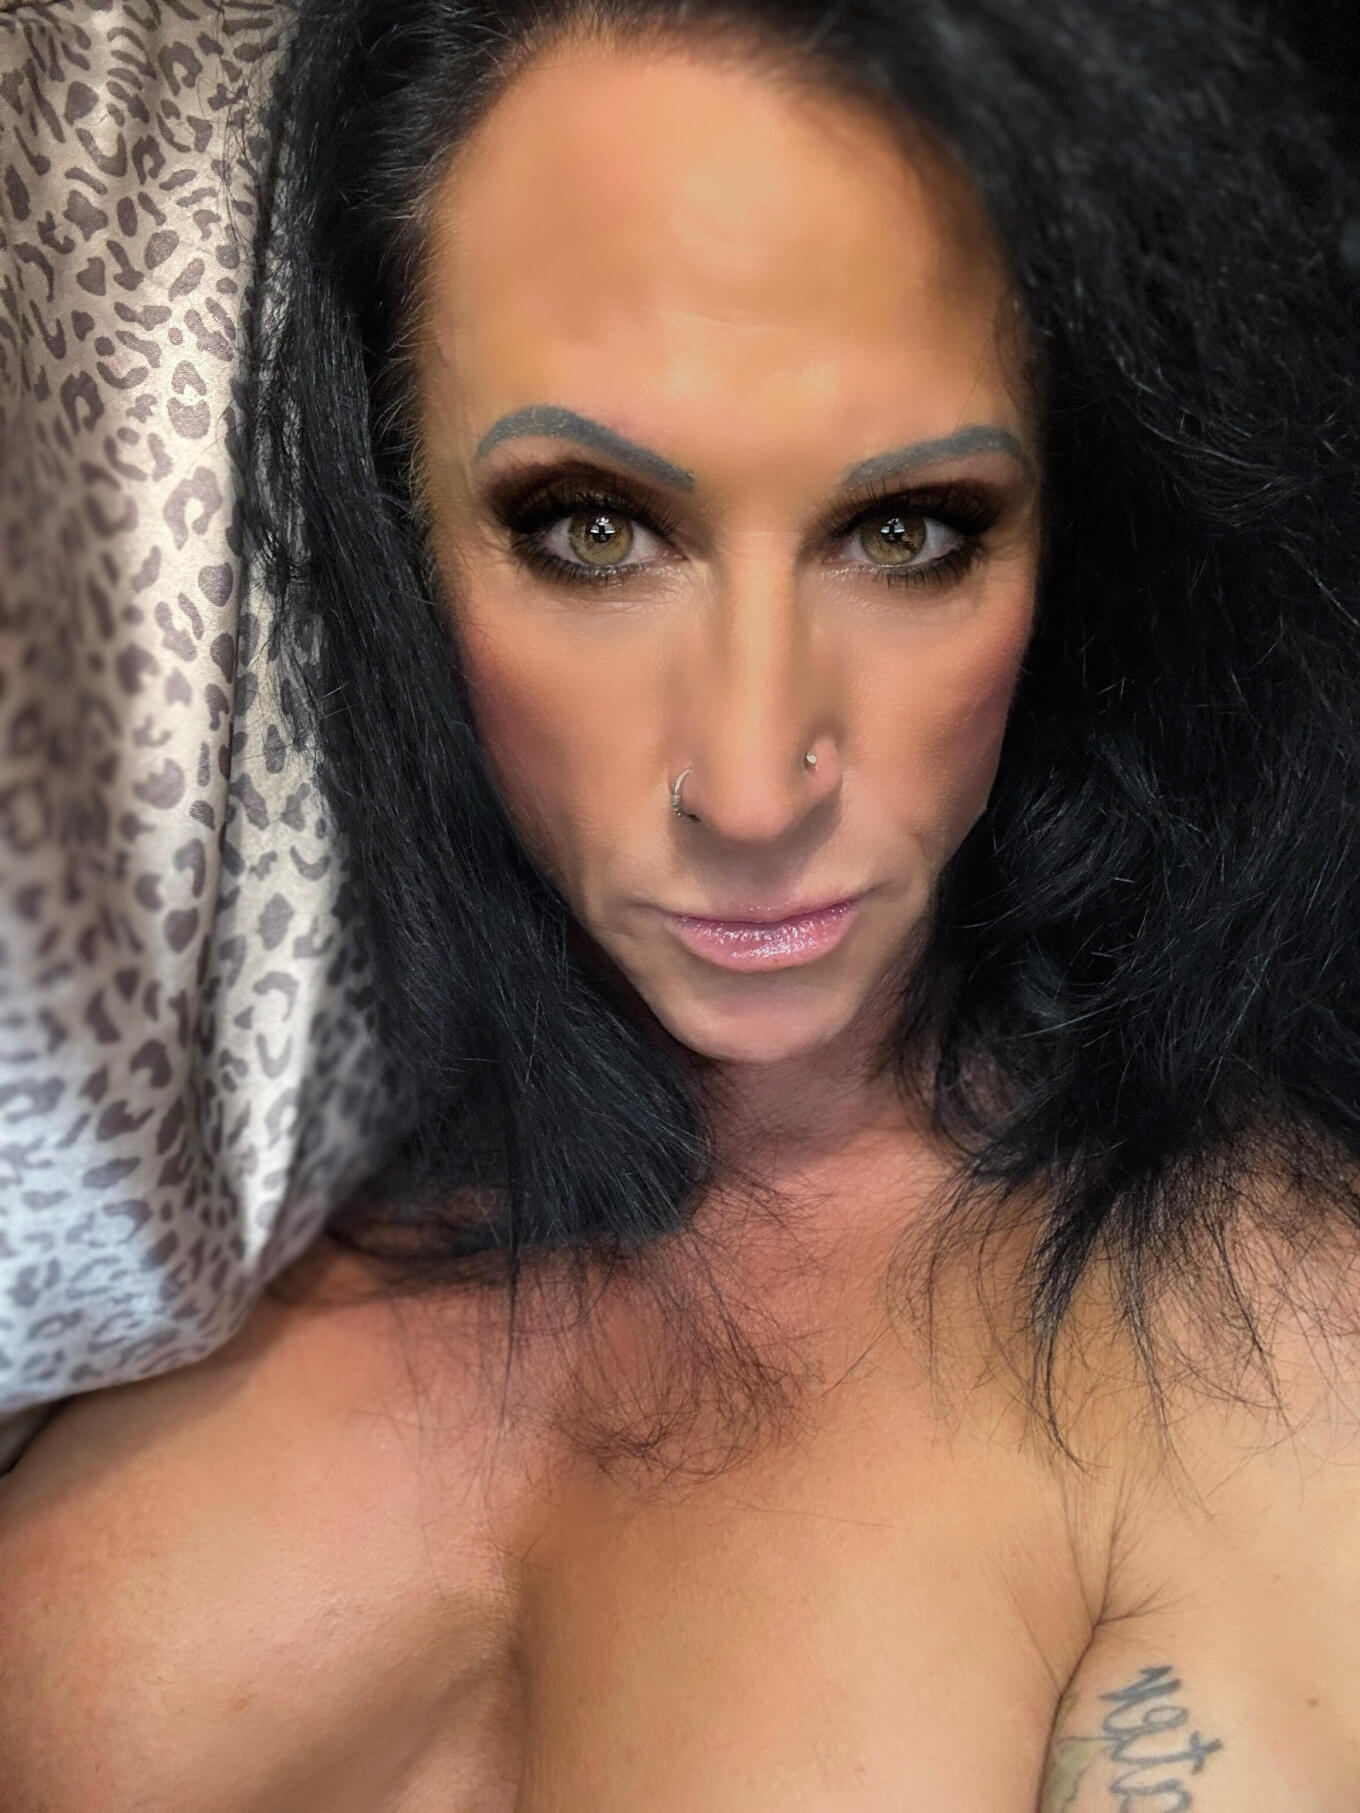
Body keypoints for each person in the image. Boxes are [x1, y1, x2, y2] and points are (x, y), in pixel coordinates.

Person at [2, 0, 1359, 1805]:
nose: (749, 784)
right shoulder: (163, 1247)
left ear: (1076, 538)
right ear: (397, 515)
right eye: (592, 527)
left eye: (908, 531)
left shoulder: (1256, 1359)